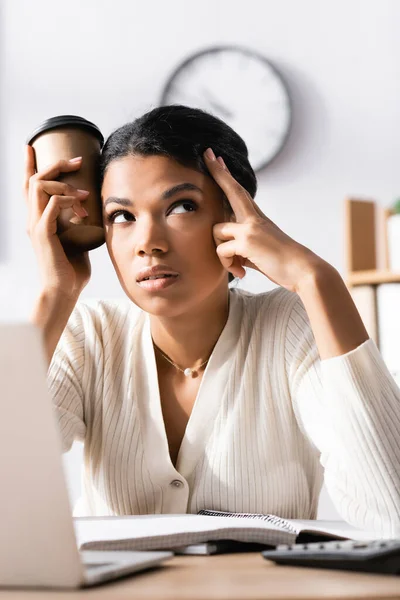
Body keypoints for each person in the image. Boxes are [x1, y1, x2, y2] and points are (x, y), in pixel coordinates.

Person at [25, 105, 400, 534]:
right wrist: (55, 296)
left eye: (182, 206)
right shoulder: (88, 335)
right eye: (122, 216)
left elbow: (392, 514)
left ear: (236, 217)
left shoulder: (293, 328)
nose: (148, 244)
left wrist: (316, 279)